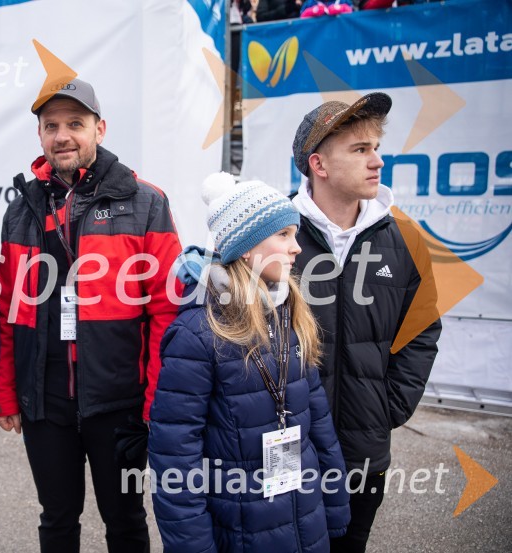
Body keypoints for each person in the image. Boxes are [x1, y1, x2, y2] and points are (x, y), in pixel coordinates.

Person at [0, 77, 183, 552]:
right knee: (57, 520)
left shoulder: (146, 202)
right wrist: (6, 390)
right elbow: (10, 308)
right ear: (39, 135)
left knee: (125, 520)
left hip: (120, 404)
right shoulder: (21, 210)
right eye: (51, 125)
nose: (62, 136)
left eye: (75, 123)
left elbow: (166, 312)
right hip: (46, 405)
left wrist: (156, 400)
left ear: (100, 128)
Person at [149, 172, 350, 553]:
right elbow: (176, 457)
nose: (297, 249)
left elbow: (319, 423)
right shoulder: (197, 333)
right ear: (245, 246)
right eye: (284, 235)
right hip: (238, 528)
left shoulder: (291, 317)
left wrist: (336, 506)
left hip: (305, 520)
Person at [290, 93, 442, 552]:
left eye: (376, 147)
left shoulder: (406, 238)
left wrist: (388, 406)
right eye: (360, 150)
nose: (376, 161)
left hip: (364, 451)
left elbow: (422, 331)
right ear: (318, 163)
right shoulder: (273, 234)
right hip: (286, 447)